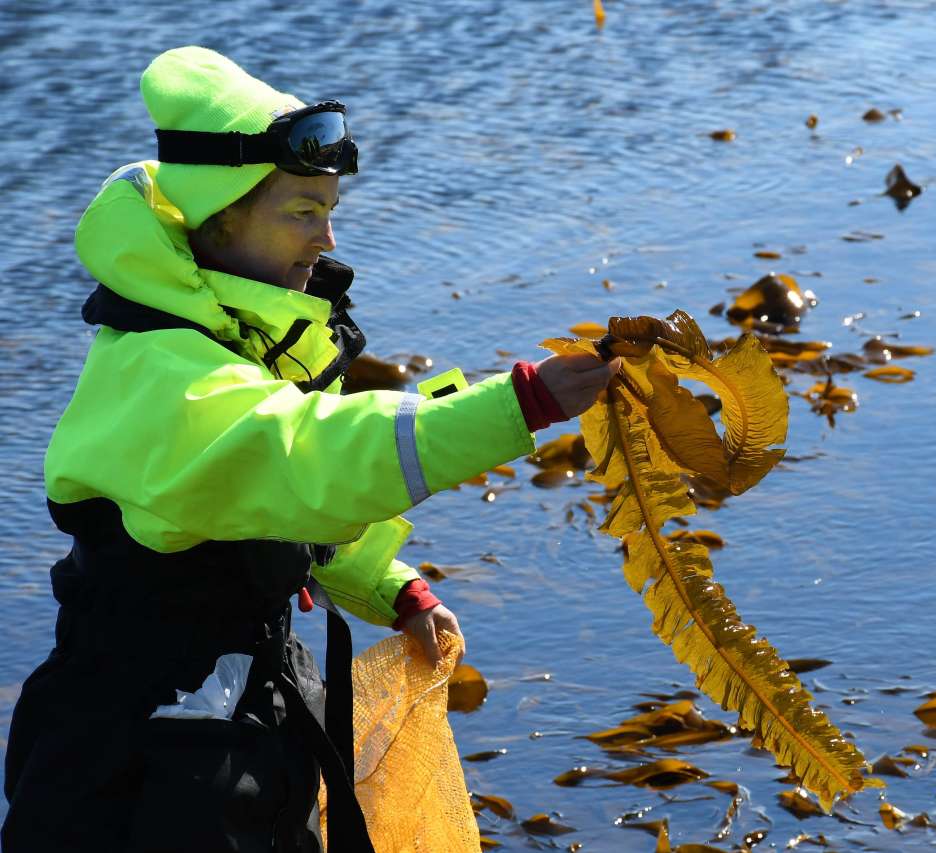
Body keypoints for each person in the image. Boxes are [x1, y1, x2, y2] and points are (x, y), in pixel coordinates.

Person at [2, 46, 618, 852]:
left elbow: (271, 508)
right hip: (144, 752)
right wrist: (519, 403)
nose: (326, 237)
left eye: (330, 209)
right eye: (300, 211)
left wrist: (388, 587)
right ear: (219, 218)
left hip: (242, 714)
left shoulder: (237, 339)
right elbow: (309, 457)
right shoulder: (163, 374)